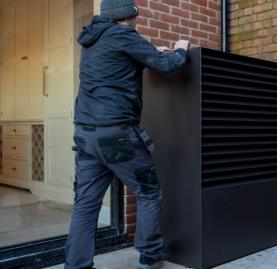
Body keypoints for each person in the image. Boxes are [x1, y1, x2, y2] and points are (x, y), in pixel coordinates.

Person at [64, 1, 189, 269]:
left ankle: (76, 265)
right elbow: (166, 65)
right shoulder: (123, 35)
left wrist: (151, 51)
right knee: (148, 192)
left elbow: (119, 63)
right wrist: (180, 50)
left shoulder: (92, 40)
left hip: (86, 135)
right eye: (135, 16)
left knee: (86, 203)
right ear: (127, 16)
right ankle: (150, 256)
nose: (137, 20)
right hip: (115, 136)